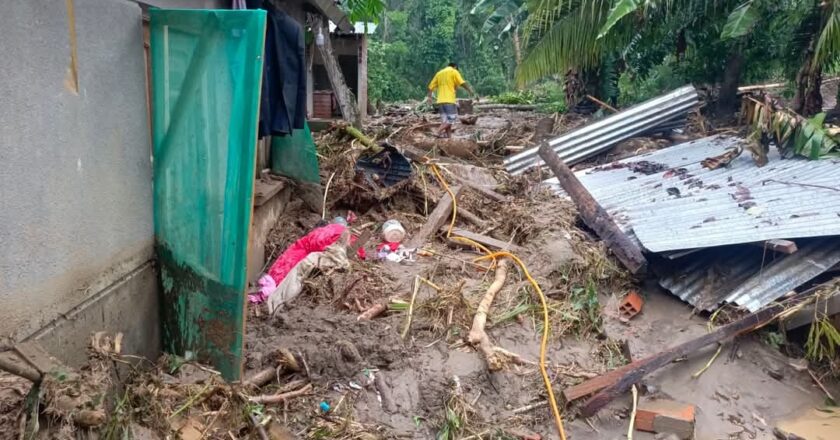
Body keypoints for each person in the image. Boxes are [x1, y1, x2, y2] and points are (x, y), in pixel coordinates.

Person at [426, 63, 476, 138]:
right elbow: (462, 83)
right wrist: (470, 90)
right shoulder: (453, 71)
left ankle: (449, 138)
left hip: (440, 102)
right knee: (452, 120)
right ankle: (438, 131)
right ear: (455, 67)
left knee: (445, 121)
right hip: (449, 101)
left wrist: (429, 97)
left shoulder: (439, 73)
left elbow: (430, 86)